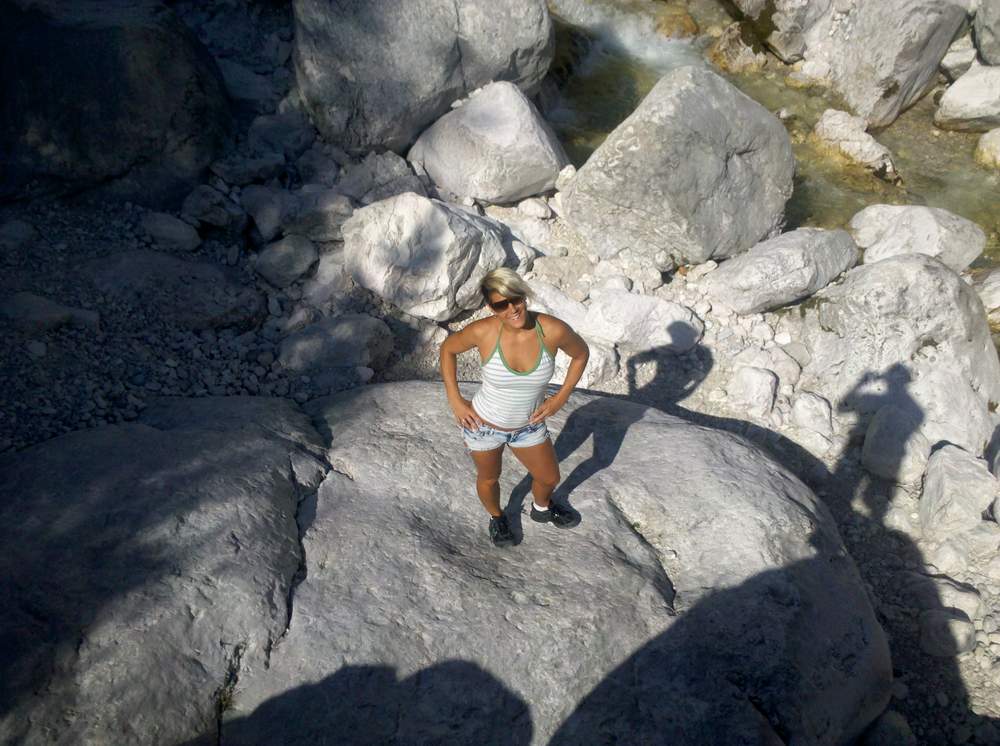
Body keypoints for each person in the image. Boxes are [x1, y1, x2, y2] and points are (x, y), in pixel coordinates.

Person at [439, 268, 590, 547]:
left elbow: (581, 354)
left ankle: (541, 508)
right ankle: (497, 518)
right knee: (489, 478)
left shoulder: (552, 330)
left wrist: (561, 397)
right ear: (491, 307)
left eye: (516, 299)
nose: (512, 309)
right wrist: (455, 400)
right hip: (483, 426)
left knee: (549, 477)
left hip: (528, 426)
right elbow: (448, 349)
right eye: (501, 304)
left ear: (523, 296)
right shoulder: (483, 331)